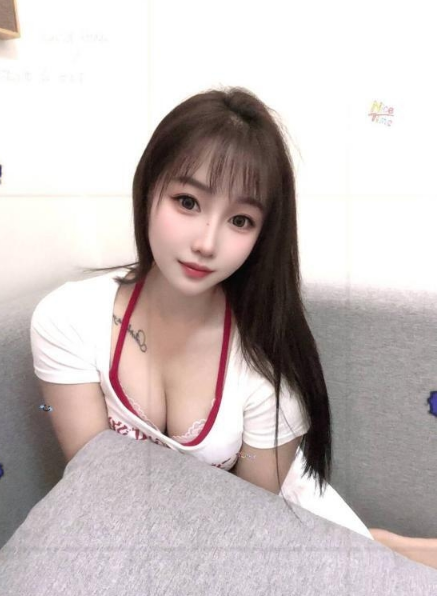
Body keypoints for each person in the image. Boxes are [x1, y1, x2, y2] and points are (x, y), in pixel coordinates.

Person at [31, 86, 437, 569]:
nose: (206, 243)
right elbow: (94, 481)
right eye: (187, 201)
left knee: (374, 564)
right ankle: (382, 542)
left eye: (240, 220)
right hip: (157, 532)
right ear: (148, 189)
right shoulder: (68, 320)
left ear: (262, 236)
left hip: (274, 518)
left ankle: (381, 543)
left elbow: (246, 528)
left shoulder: (266, 367)